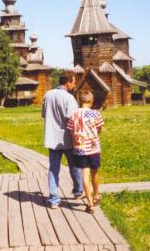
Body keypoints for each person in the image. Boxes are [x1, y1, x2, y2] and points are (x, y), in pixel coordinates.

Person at [42, 72, 83, 209]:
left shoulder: (47, 95)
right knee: (74, 166)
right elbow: (73, 120)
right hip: (67, 139)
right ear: (68, 83)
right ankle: (78, 191)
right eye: (73, 82)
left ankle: (54, 199)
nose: (74, 85)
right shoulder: (69, 98)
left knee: (53, 168)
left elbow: (44, 115)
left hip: (52, 138)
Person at [67, 91, 103, 214]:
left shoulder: (74, 114)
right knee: (95, 173)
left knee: (84, 175)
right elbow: (100, 129)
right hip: (93, 148)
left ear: (80, 100)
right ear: (91, 101)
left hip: (80, 148)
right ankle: (96, 195)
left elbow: (71, 131)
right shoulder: (96, 114)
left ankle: (90, 204)